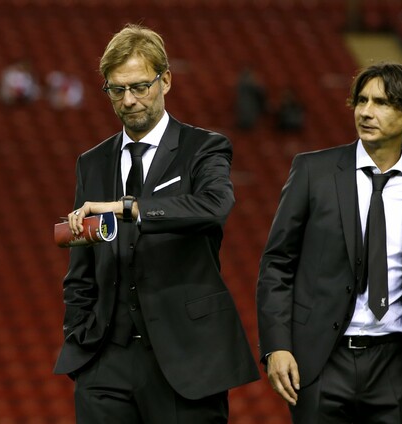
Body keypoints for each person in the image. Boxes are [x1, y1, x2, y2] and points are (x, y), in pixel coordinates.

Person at [54, 23, 260, 423]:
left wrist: (130, 208)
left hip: (186, 360)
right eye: (116, 90)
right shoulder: (91, 162)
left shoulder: (204, 147)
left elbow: (215, 205)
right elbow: (81, 267)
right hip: (104, 361)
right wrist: (78, 334)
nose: (128, 100)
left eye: (139, 87)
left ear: (165, 80)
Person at [256, 62, 402, 423]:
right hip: (321, 361)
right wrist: (277, 346)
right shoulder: (313, 171)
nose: (365, 111)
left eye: (381, 103)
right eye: (362, 100)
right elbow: (277, 264)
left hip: (395, 364)